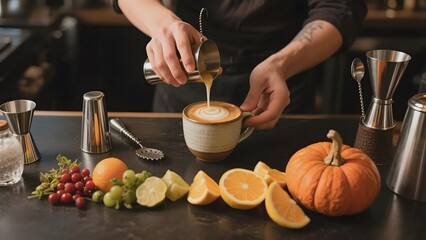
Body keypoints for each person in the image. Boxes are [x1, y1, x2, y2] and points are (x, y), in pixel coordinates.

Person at [113, 0, 367, 129]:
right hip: (183, 79)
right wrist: (164, 25)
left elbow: (340, 8)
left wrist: (281, 64)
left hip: (279, 90)